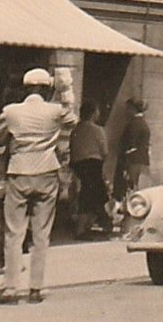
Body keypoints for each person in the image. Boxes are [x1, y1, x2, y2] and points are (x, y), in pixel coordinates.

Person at [0, 67, 77, 304]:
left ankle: (10, 289)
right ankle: (35, 289)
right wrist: (65, 91)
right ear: (47, 89)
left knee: (14, 232)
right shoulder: (55, 111)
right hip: (47, 171)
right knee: (41, 233)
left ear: (25, 88)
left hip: (18, 172)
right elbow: (72, 119)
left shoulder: (11, 111)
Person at [69, 101, 111, 236]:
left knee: (93, 193)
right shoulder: (97, 130)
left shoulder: (76, 130)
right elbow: (104, 151)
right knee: (93, 194)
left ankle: (92, 223)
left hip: (78, 165)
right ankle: (82, 228)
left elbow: (72, 148)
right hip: (93, 164)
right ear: (93, 113)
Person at [114, 97, 150, 200]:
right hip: (141, 161)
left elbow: (131, 146)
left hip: (132, 162)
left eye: (128, 108)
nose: (126, 111)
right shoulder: (143, 123)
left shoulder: (134, 124)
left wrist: (125, 166)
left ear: (132, 109)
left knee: (128, 190)